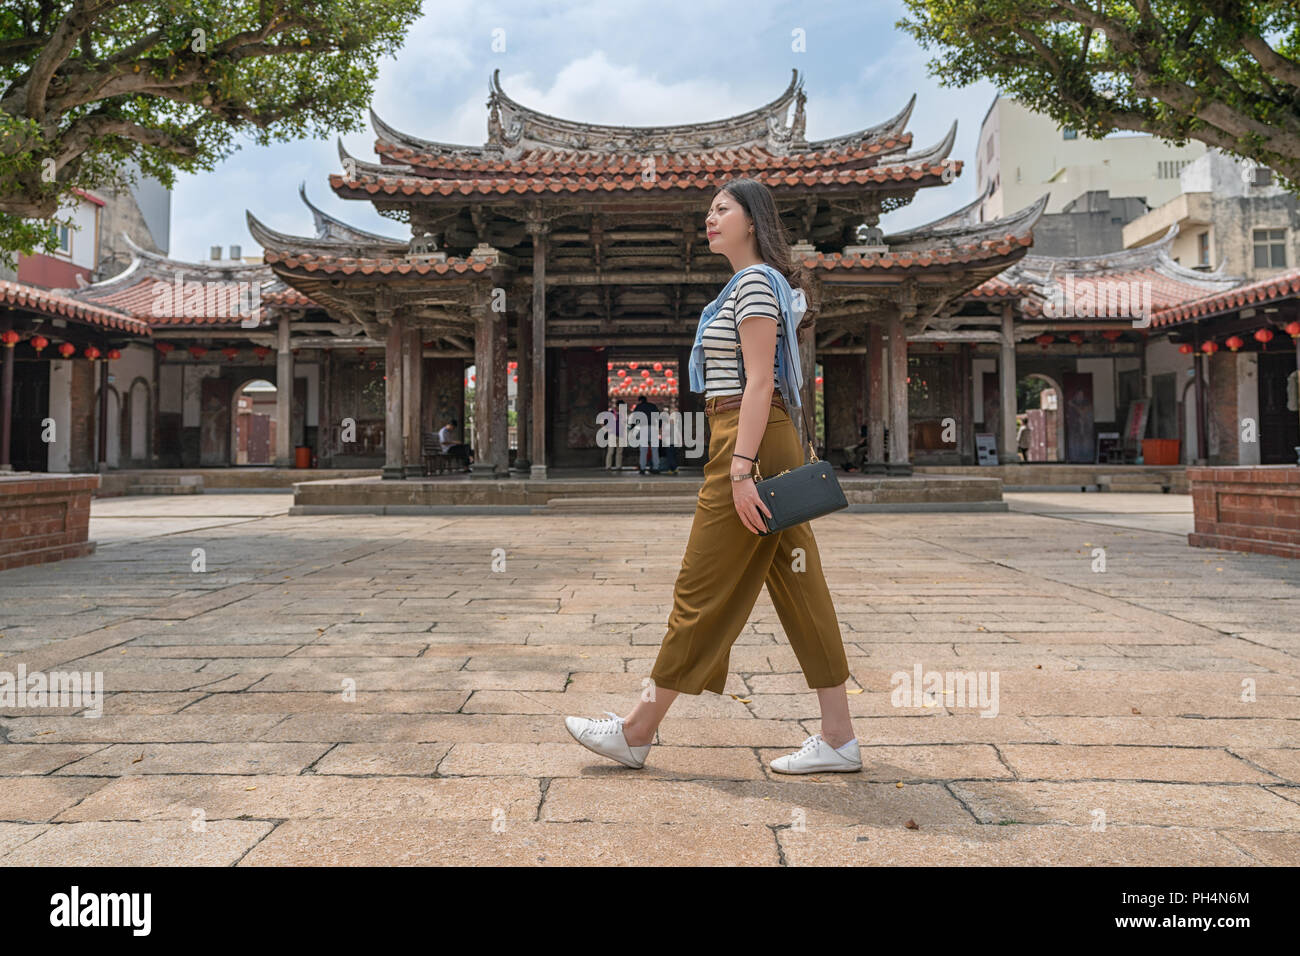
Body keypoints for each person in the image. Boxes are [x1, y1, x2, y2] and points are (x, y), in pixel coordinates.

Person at [564, 177, 858, 774]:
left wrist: (741, 469)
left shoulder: (752, 283)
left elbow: (758, 381)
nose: (710, 217)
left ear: (753, 220)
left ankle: (636, 728)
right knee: (802, 586)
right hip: (759, 436)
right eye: (708, 210)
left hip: (745, 438)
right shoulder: (748, 284)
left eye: (722, 208)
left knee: (699, 588)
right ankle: (839, 737)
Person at [632, 394, 661, 475]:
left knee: (643, 450)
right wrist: (659, 427)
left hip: (643, 428)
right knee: (655, 449)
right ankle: (656, 468)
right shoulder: (653, 406)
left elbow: (634, 419)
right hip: (653, 428)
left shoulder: (639, 407)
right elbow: (658, 417)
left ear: (640, 400)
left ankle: (642, 468)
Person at [604, 400, 626, 472]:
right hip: (612, 434)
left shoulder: (623, 414)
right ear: (617, 406)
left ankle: (618, 466)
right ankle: (608, 466)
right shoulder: (611, 413)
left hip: (621, 435)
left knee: (619, 452)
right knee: (610, 451)